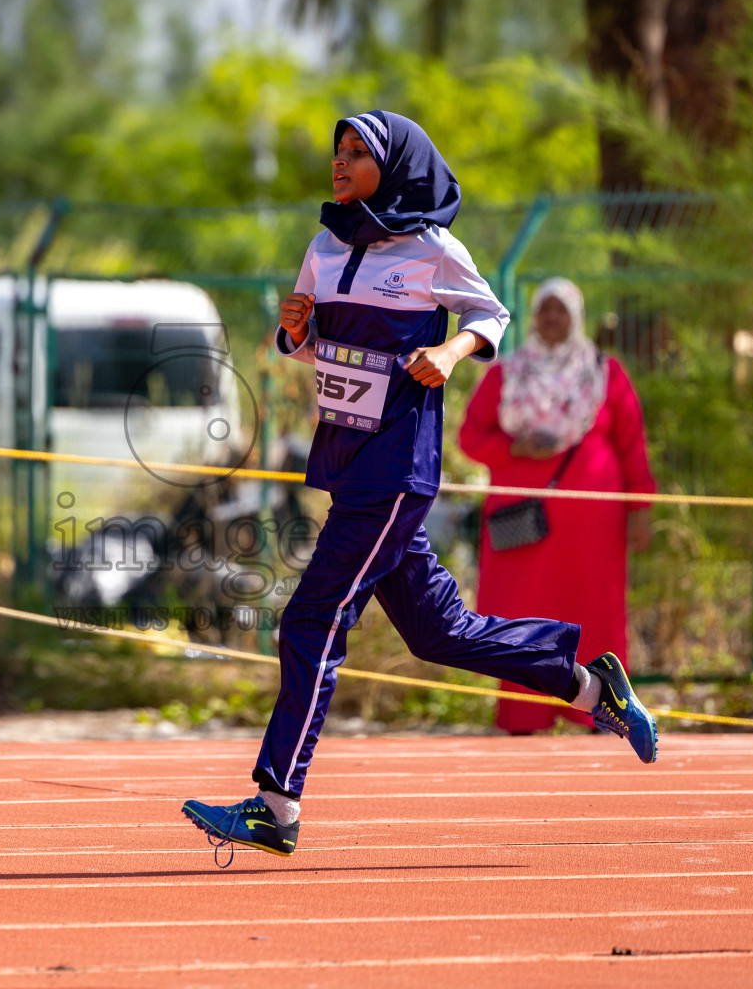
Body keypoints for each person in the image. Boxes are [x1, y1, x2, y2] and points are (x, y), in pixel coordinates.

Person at [181, 111, 658, 864]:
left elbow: (492, 313)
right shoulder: (324, 244)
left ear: (396, 166)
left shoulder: (432, 248)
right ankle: (593, 689)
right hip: (347, 459)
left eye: (356, 154)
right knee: (440, 633)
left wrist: (452, 350)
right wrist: (293, 333)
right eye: (336, 152)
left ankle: (277, 806)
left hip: (397, 469)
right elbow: (312, 351)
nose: (339, 163)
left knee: (310, 621)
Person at [459, 278, 657, 734]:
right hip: (522, 526)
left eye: (560, 310)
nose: (551, 318)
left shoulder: (604, 372)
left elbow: (632, 447)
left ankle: (605, 712)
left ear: (576, 317)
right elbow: (470, 438)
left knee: (595, 608)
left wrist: (641, 510)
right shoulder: (506, 374)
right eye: (544, 309)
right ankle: (522, 715)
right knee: (518, 613)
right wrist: (516, 451)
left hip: (594, 527)